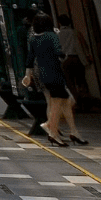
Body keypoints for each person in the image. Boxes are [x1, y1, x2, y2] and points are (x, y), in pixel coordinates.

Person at [23, 11, 83, 147]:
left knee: (58, 102)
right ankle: (51, 128)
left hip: (41, 73)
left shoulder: (32, 37)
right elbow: (58, 52)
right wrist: (63, 56)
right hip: (54, 72)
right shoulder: (51, 35)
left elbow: (30, 57)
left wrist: (28, 74)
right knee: (61, 102)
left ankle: (66, 130)